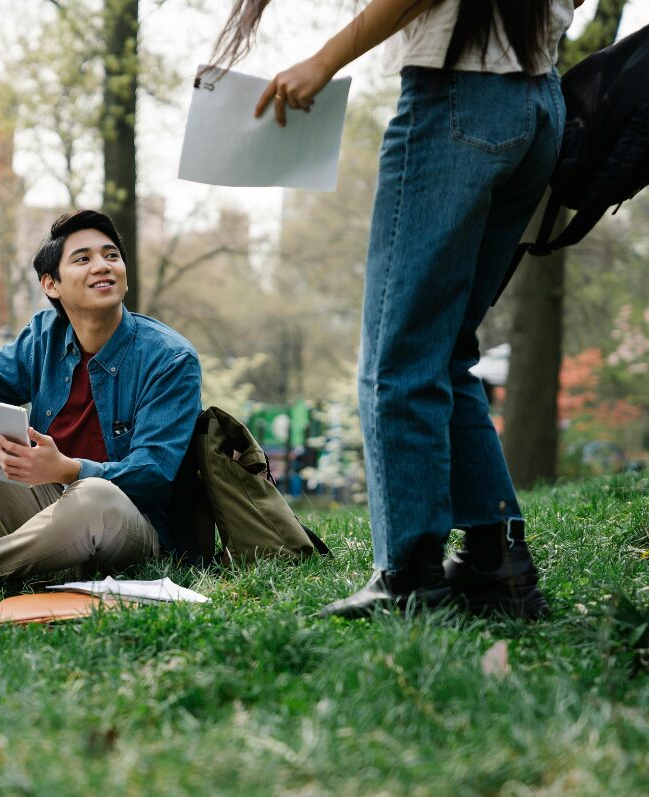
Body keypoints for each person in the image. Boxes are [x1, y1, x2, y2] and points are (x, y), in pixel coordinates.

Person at [209, 0, 581, 618]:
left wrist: (323, 61)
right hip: (538, 104)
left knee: (397, 354)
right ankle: (497, 560)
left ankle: (409, 578)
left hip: (457, 98)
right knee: (447, 346)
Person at [0, 210, 202, 581]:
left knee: (93, 495)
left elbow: (152, 472)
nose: (102, 266)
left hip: (130, 534)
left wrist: (67, 469)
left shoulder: (170, 358)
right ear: (51, 284)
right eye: (83, 259)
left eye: (111, 255)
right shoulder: (44, 338)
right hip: (47, 523)